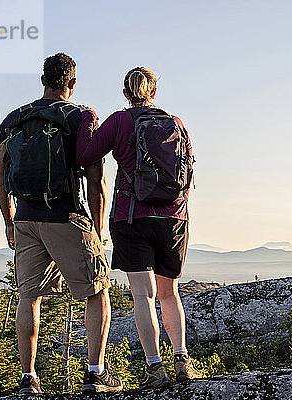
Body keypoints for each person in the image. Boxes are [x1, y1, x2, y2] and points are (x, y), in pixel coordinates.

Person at [0, 53, 122, 394]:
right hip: (64, 213)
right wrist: (96, 227)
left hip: (25, 217)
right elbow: (96, 180)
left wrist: (9, 220)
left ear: (42, 80)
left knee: (28, 296)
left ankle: (28, 379)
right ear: (72, 83)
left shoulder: (13, 118)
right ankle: (96, 374)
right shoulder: (81, 117)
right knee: (97, 291)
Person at [76, 66, 200, 388]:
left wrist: (89, 121)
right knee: (170, 293)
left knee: (143, 295)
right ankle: (182, 359)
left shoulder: (119, 121)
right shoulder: (177, 124)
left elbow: (85, 154)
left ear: (126, 93)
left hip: (130, 217)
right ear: (154, 92)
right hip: (174, 218)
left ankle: (154, 368)